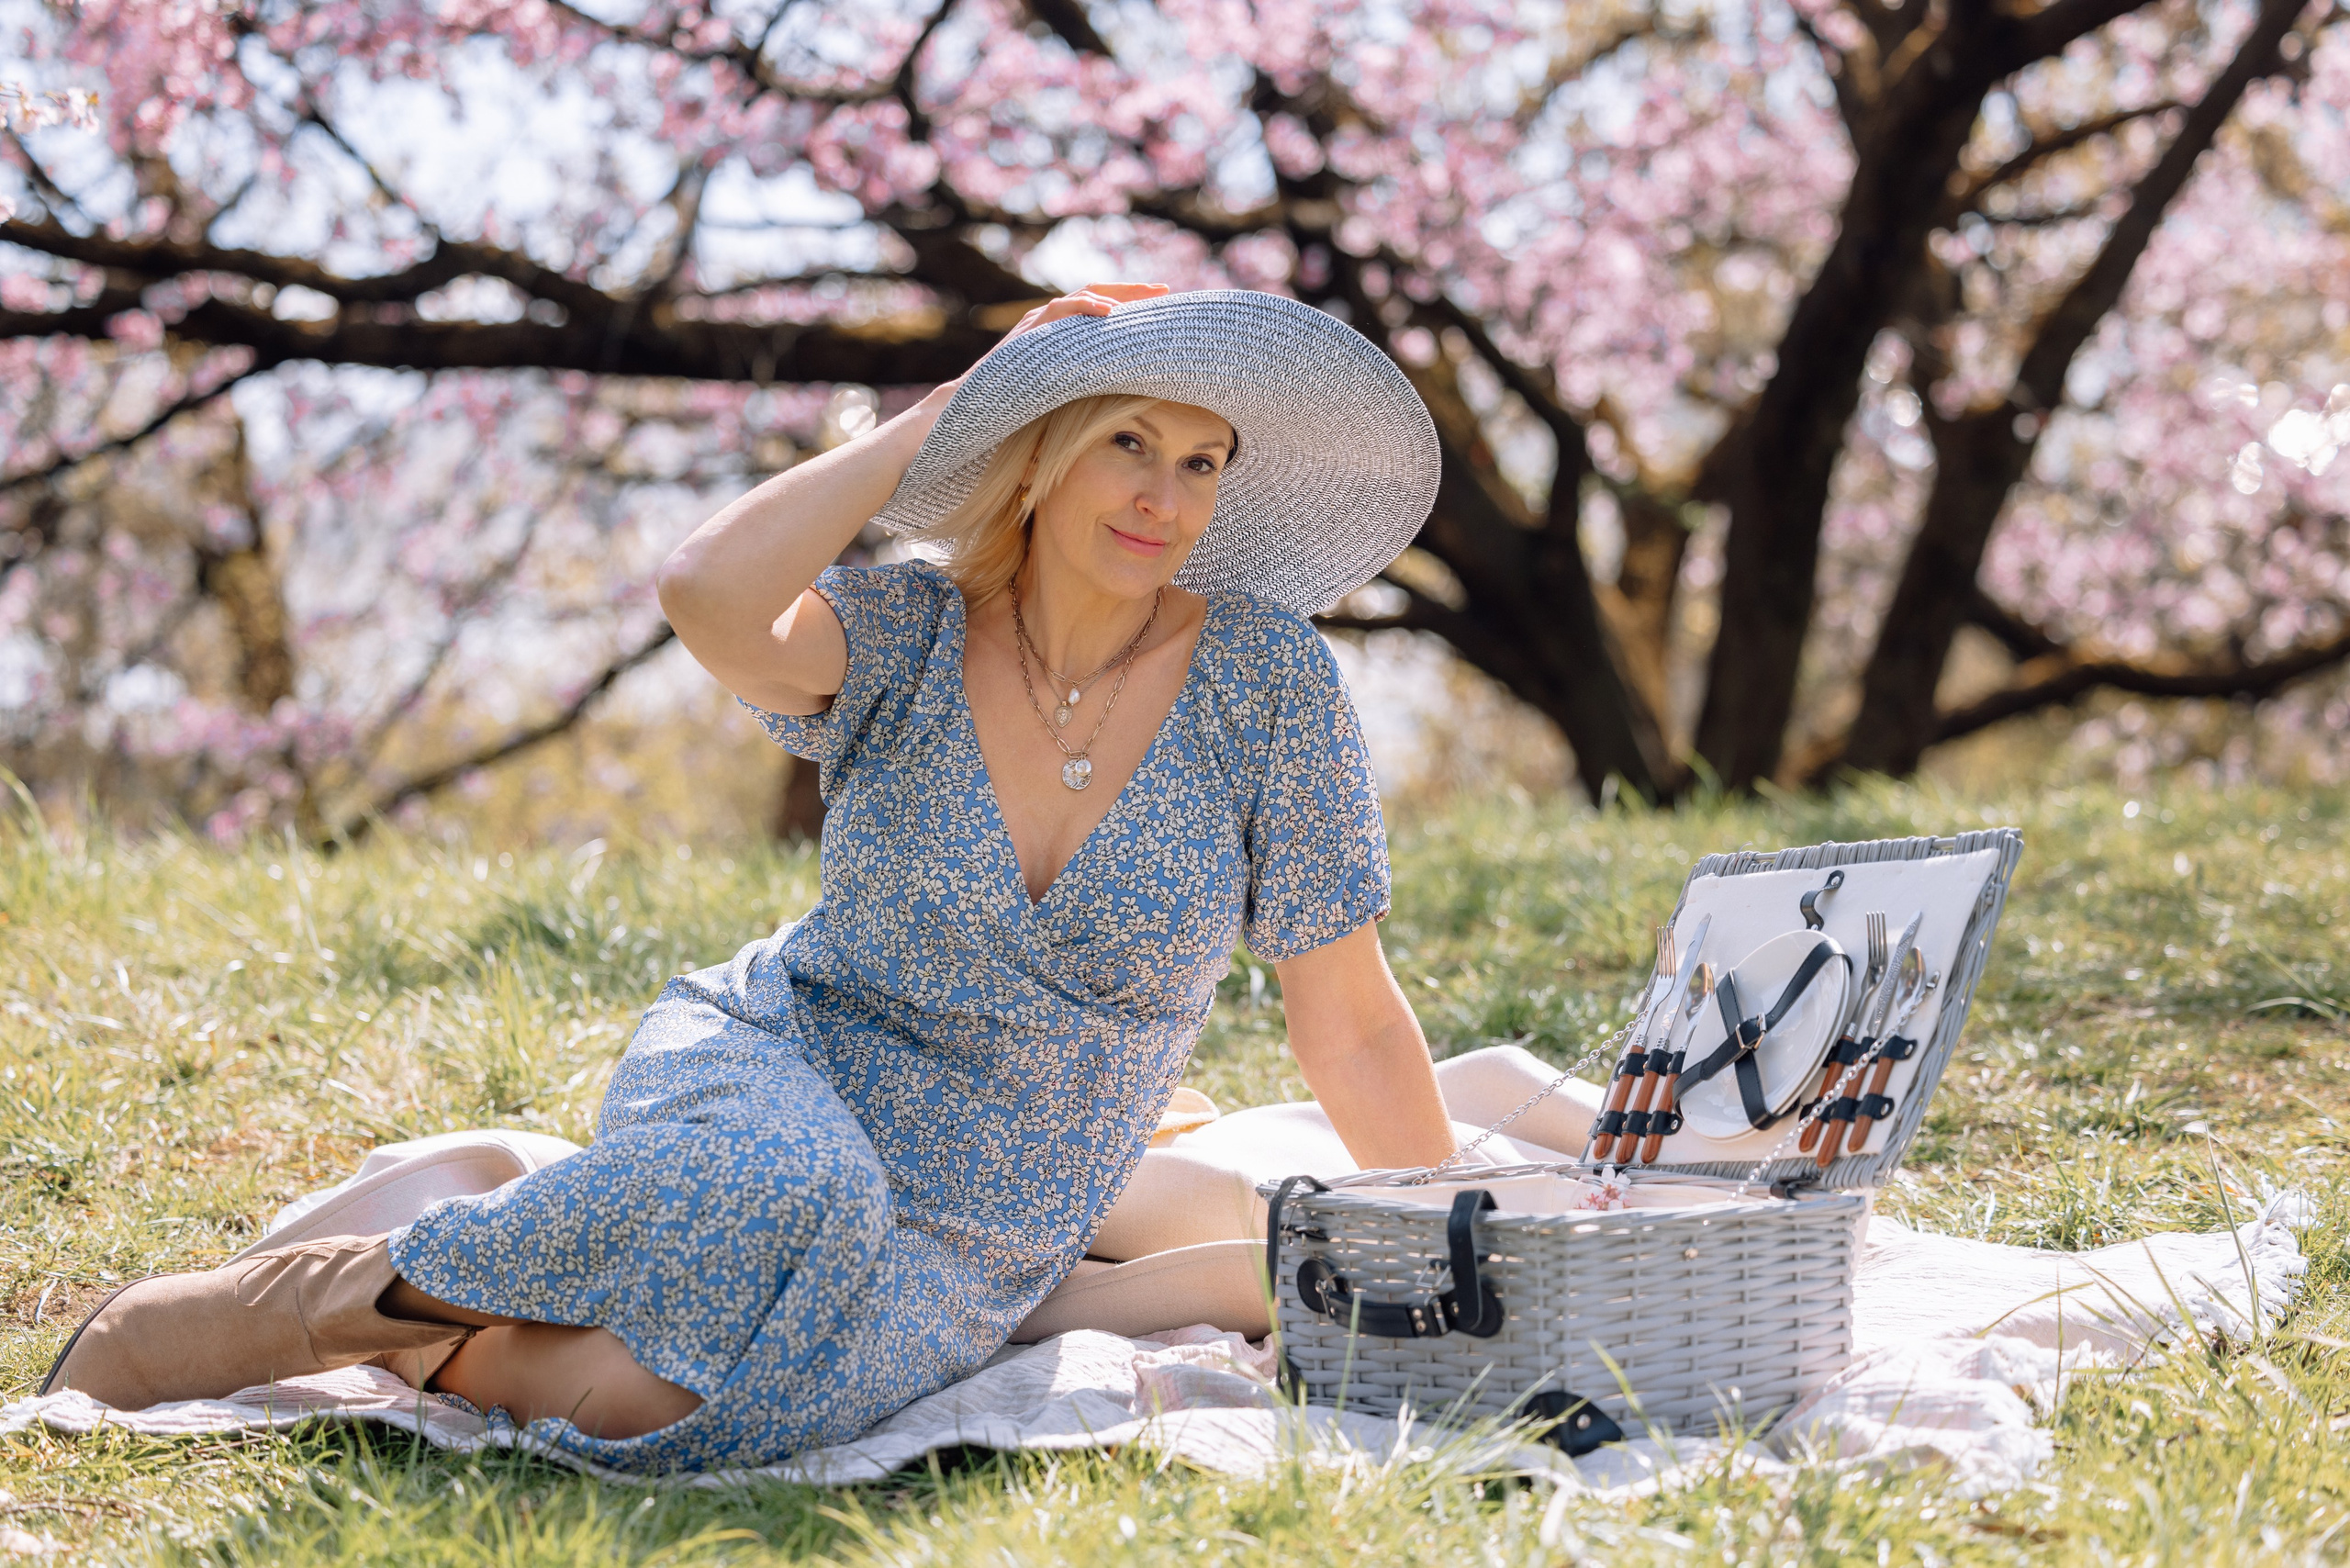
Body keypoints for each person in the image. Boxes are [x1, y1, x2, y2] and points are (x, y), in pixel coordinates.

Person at [40, 284, 1456, 1473]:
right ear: (1038, 457)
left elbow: (1349, 1018)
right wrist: (939, 415)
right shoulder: (905, 630)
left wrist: (1456, 1236)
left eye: (1202, 462)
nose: (1162, 493)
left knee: (696, 1413)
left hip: (990, 1212)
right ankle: (305, 1308)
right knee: (794, 1186)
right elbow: (708, 594)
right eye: (1125, 442)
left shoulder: (1269, 684)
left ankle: (454, 1329)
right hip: (787, 1061)